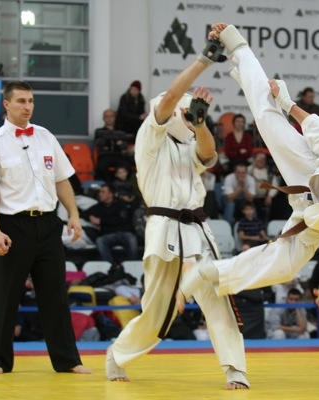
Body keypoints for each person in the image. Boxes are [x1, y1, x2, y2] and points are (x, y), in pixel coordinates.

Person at [177, 23, 319, 317]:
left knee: (284, 267)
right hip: (310, 172)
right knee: (267, 116)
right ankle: (238, 45)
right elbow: (313, 126)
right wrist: (286, 102)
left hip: (316, 223)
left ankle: (207, 273)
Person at [105, 38, 249, 390]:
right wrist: (203, 62)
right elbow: (170, 97)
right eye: (186, 114)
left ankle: (235, 368)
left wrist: (200, 124)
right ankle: (118, 354)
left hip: (197, 227)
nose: (186, 118)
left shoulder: (189, 143)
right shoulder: (150, 139)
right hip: (164, 226)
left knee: (218, 298)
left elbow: (209, 155)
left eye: (191, 114)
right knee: (159, 310)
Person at [0, 80, 91, 375]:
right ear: (6, 104)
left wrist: (73, 214)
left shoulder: (45, 136)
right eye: (21, 101)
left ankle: (68, 360)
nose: (28, 106)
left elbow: (62, 179)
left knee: (55, 295)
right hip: (13, 225)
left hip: (49, 223)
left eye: (31, 101)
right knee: (7, 295)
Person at [81, 183, 139, 263]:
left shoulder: (121, 204)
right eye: (100, 192)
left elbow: (121, 220)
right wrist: (90, 216)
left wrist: (101, 221)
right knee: (100, 241)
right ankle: (111, 266)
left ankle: (132, 265)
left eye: (103, 192)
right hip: (109, 235)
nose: (100, 194)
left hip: (124, 233)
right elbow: (83, 214)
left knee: (132, 239)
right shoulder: (98, 207)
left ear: (110, 194)